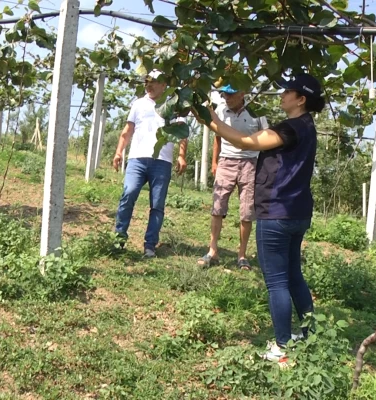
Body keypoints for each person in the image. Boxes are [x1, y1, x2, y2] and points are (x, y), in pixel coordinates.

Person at [198, 73, 326, 363]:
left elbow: (245, 142)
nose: (282, 95)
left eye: (287, 92)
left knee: (277, 281)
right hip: (298, 212)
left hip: (277, 212)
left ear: (301, 99)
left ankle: (281, 348)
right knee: (293, 274)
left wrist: (210, 120)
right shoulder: (308, 126)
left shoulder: (290, 128)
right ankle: (308, 335)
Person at [112, 70, 188, 258]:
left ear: (164, 85)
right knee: (128, 194)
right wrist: (118, 151)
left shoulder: (174, 105)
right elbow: (128, 129)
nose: (149, 85)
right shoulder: (138, 104)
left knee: (157, 204)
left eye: (154, 82)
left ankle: (150, 245)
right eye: (147, 82)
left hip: (162, 161)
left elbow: (182, 133)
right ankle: (119, 238)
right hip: (137, 159)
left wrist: (181, 155)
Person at [197, 85, 268, 270]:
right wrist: (215, 162)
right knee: (217, 206)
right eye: (224, 94)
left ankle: (242, 255)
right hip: (226, 162)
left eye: (230, 94)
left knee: (246, 212)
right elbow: (218, 136)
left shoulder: (256, 112)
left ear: (242, 93)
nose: (226, 97)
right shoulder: (220, 110)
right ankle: (213, 251)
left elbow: (266, 137)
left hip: (250, 164)